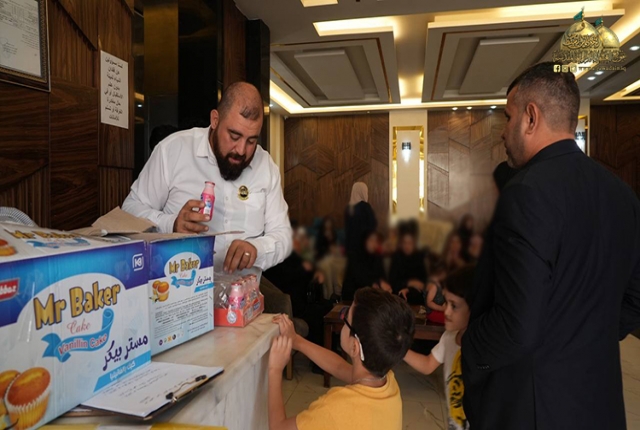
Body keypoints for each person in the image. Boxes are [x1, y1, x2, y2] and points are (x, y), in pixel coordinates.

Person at [462, 62, 640, 430]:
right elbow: (635, 301)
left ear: (530, 117)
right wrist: (583, 338)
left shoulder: (526, 192)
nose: (503, 132)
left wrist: (470, 342)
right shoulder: (623, 195)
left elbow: (516, 326)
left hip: (534, 406)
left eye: (508, 117)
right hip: (600, 399)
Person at [122, 82, 292, 273]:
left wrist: (257, 249)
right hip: (178, 286)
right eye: (234, 136)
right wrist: (171, 224)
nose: (241, 150)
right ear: (215, 120)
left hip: (244, 290)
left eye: (251, 141)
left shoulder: (265, 165)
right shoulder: (172, 150)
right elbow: (129, 210)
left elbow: (283, 234)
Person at [268, 287, 415, 430]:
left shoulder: (336, 408)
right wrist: (296, 340)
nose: (342, 319)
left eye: (346, 318)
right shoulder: (388, 383)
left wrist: (275, 370)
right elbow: (338, 367)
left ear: (354, 347)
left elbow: (278, 427)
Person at [404, 266, 475, 430]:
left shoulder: (483, 348)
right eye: (446, 302)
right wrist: (399, 349)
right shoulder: (449, 338)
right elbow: (428, 364)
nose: (446, 311)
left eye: (454, 306)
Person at [341, 231, 390, 301]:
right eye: (371, 240)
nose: (374, 244)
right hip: (353, 296)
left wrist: (384, 284)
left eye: (376, 241)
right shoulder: (355, 256)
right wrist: (375, 283)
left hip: (373, 295)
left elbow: (382, 276)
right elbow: (359, 278)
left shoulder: (377, 258)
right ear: (365, 241)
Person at [391, 231, 428, 305]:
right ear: (401, 244)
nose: (407, 246)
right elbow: (393, 282)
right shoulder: (396, 258)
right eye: (405, 243)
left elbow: (423, 281)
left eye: (410, 243)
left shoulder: (419, 258)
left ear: (414, 244)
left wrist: (409, 289)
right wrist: (408, 283)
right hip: (399, 292)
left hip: (416, 293)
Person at [344, 182, 377, 261]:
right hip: (364, 247)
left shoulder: (348, 208)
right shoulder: (365, 207)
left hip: (350, 248)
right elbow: (373, 224)